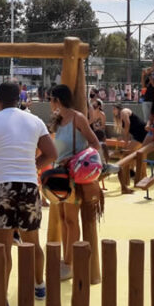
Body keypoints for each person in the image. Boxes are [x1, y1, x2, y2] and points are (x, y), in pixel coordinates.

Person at [0, 83, 57, 306]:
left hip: (2, 187)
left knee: (3, 247)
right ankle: (39, 285)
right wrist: (33, 167)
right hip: (28, 185)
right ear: (19, 98)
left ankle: (1, 297)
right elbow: (51, 153)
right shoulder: (35, 121)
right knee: (33, 240)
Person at [47, 84, 103, 280]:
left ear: (58, 100)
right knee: (63, 218)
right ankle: (66, 258)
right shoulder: (58, 119)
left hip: (73, 174)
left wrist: (74, 159)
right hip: (60, 175)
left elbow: (94, 143)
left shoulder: (77, 118)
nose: (49, 103)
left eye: (50, 99)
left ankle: (69, 263)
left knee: (71, 219)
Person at [113, 105, 148, 194]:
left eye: (114, 108)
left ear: (119, 108)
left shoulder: (124, 111)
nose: (113, 110)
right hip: (137, 134)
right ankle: (133, 172)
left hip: (141, 133)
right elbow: (127, 133)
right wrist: (123, 139)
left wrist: (125, 141)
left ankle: (133, 172)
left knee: (128, 153)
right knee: (130, 153)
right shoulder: (120, 118)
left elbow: (128, 125)